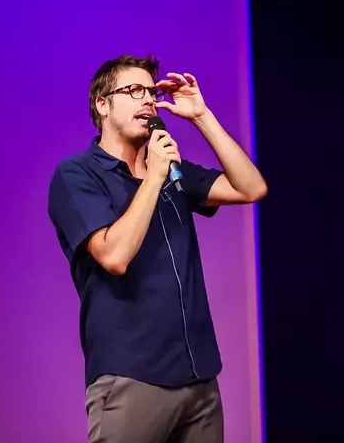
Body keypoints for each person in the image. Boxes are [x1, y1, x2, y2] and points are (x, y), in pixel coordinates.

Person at [47, 55, 267, 443]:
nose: (148, 100)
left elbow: (251, 188)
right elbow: (114, 256)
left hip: (199, 378)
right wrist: (153, 179)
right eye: (134, 91)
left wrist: (201, 117)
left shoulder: (169, 169)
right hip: (131, 375)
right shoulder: (77, 174)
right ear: (103, 104)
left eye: (151, 92)